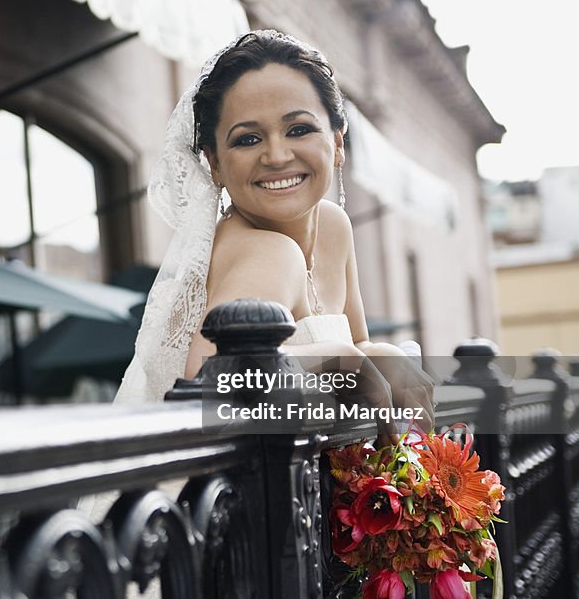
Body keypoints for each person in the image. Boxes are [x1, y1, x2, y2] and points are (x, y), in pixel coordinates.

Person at [115, 30, 434, 434]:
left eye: (299, 129)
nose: (277, 155)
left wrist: (380, 355)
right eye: (247, 139)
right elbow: (210, 378)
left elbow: (354, 344)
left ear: (337, 142)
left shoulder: (334, 226)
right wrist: (347, 362)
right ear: (214, 164)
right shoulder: (264, 251)